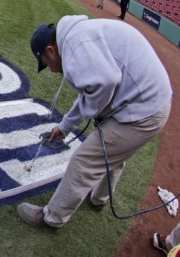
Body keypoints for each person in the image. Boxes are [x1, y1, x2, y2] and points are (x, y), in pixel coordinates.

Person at [17, 16, 172, 229]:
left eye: (46, 63)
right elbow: (91, 91)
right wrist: (64, 127)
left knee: (85, 160)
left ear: (51, 51)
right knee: (115, 152)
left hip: (144, 109)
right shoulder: (76, 36)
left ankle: (52, 217)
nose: (52, 70)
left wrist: (95, 113)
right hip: (153, 100)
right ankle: (99, 199)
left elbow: (106, 81)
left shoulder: (74, 49)